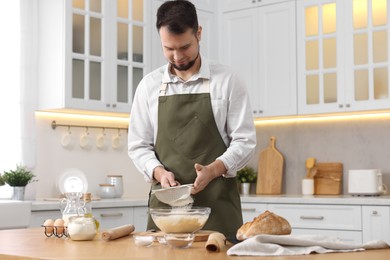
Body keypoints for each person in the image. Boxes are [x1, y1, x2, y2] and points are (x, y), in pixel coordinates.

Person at [127, 0, 256, 241]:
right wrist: (158, 172)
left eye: (184, 47)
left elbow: (245, 141)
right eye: (169, 48)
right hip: (166, 212)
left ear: (198, 33)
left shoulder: (228, 80)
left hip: (218, 208)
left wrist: (214, 169)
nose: (177, 56)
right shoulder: (149, 86)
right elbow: (138, 145)